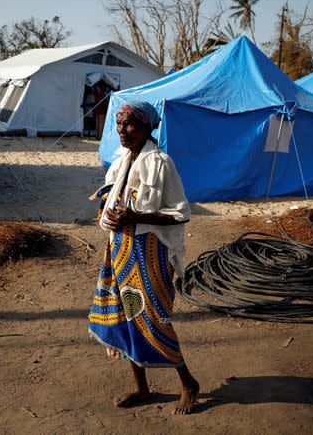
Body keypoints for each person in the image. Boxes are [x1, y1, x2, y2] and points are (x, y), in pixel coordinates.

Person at [88, 100, 199, 414]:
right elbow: (108, 204)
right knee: (125, 319)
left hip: (150, 253)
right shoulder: (119, 160)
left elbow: (181, 214)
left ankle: (189, 383)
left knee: (153, 319)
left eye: (130, 124)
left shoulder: (162, 163)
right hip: (119, 251)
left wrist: (136, 217)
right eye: (120, 124)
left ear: (148, 127)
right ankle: (142, 386)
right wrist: (107, 218)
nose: (123, 130)